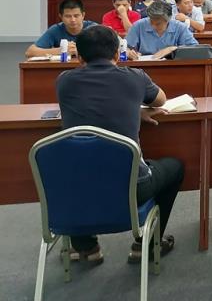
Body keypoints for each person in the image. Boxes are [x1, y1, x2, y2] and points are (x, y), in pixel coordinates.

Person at [56, 25, 184, 263]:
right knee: (174, 167)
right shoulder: (135, 77)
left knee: (80, 166)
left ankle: (86, 248)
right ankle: (147, 243)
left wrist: (133, 109)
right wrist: (136, 108)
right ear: (117, 54)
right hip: (132, 187)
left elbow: (92, 105)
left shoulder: (64, 81)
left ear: (79, 57)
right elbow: (160, 100)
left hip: (79, 189)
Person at [26, 0, 98, 58]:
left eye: (76, 16)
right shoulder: (55, 30)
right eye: (68, 16)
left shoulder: (94, 28)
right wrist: (61, 50)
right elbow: (30, 52)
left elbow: (104, 50)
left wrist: (81, 50)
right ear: (61, 17)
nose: (73, 20)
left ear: (83, 15)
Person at [126, 0, 198, 57]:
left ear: (168, 20)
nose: (153, 26)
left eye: (158, 24)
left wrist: (173, 49)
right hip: (143, 67)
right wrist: (128, 53)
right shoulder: (138, 25)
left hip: (173, 67)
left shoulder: (180, 27)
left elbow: (195, 49)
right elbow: (125, 48)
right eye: (151, 22)